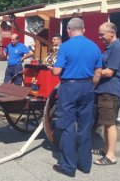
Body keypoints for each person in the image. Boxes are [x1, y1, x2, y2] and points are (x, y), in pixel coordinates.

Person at [51, 17, 102, 177]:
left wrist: (53, 67)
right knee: (85, 127)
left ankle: (68, 167)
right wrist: (90, 85)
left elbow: (57, 71)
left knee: (67, 126)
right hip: (88, 86)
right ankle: (85, 165)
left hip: (69, 87)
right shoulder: (94, 46)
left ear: (68, 30)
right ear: (84, 30)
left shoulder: (65, 46)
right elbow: (98, 71)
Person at [93, 22, 120, 166]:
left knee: (109, 123)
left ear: (112, 33)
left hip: (110, 91)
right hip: (103, 90)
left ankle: (111, 155)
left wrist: (91, 73)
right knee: (105, 122)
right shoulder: (109, 47)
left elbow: (109, 72)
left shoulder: (117, 48)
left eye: (102, 34)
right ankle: (105, 149)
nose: (99, 37)